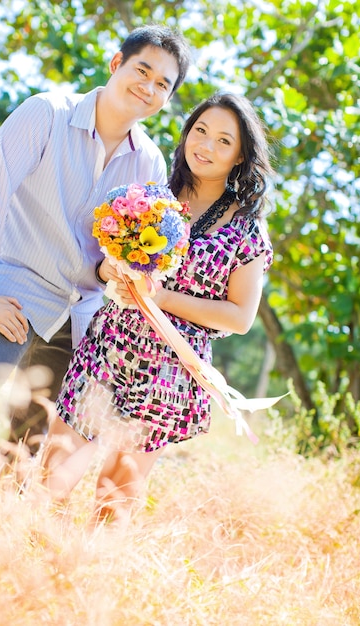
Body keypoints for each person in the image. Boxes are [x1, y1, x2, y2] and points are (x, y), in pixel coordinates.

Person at [0, 25, 192, 451]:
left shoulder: (149, 163)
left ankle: (0, 518)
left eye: (162, 84)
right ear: (116, 64)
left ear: (167, 98)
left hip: (78, 318)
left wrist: (115, 270)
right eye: (142, 70)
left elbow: (114, 258)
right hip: (12, 296)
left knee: (24, 448)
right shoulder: (46, 113)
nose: (148, 87)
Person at [40, 92, 275, 528]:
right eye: (200, 132)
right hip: (109, 347)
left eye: (224, 141)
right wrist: (113, 269)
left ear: (241, 154)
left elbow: (240, 317)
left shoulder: (247, 227)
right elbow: (104, 262)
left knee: (113, 504)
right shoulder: (149, 190)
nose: (206, 146)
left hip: (171, 370)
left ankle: (88, 586)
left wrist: (162, 299)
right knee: (52, 478)